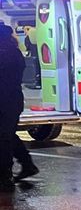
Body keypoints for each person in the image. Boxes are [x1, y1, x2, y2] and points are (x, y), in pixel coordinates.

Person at [1, 23, 39, 191]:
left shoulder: (5, 54)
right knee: (7, 135)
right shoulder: (14, 52)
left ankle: (5, 176)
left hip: (5, 100)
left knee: (4, 138)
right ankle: (27, 164)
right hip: (12, 99)